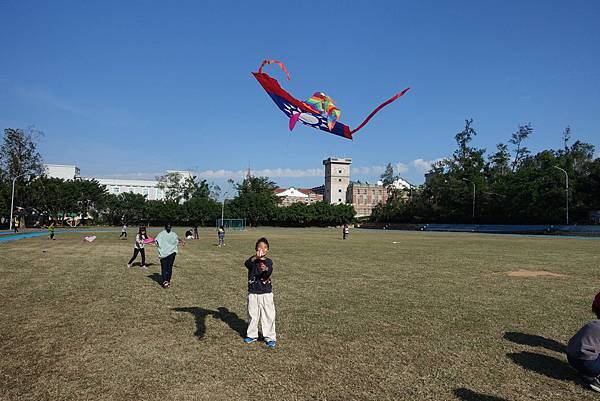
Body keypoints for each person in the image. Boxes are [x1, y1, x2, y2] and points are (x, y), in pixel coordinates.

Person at [243, 237, 276, 348]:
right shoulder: (253, 262)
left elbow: (268, 273)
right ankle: (252, 335)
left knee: (268, 315)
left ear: (267, 250)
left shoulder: (268, 262)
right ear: (256, 249)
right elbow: (247, 263)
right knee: (253, 315)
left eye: (265, 247)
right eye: (260, 247)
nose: (262, 249)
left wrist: (265, 269)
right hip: (253, 292)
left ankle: (270, 337)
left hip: (266, 292)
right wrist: (255, 258)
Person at [567, 292, 600, 392]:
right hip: (587, 363)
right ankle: (595, 380)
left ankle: (586, 374)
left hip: (571, 358)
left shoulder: (593, 324)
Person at [155, 223, 182, 288]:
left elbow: (156, 241)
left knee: (165, 268)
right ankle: (167, 281)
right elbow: (177, 240)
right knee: (169, 268)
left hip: (165, 254)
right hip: (171, 253)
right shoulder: (173, 234)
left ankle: (165, 281)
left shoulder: (161, 234)